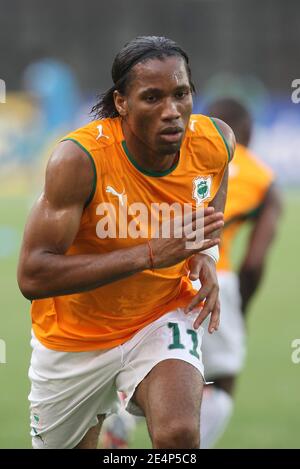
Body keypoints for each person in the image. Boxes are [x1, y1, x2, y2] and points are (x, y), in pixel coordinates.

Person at [17, 36, 235, 449]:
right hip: (73, 340)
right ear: (122, 103)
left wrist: (205, 252)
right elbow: (33, 275)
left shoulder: (214, 142)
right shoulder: (79, 160)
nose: (172, 112)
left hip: (159, 315)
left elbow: (215, 184)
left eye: (181, 94)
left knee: (179, 435)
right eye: (152, 97)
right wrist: (151, 253)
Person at [198, 98, 282, 448]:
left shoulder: (184, 158)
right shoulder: (263, 179)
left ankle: (121, 428)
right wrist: (240, 308)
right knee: (220, 380)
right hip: (219, 278)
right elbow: (254, 262)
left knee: (148, 368)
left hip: (159, 274)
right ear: (246, 131)